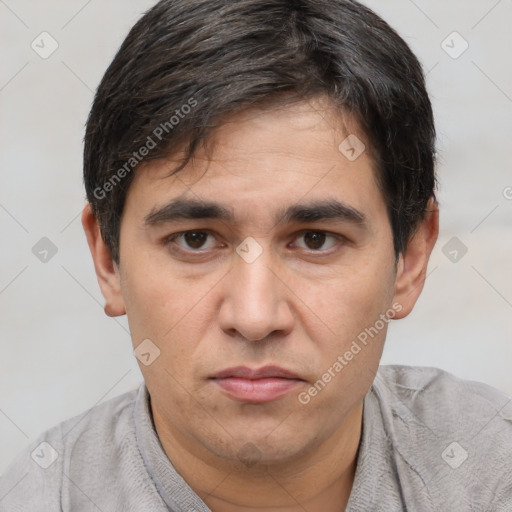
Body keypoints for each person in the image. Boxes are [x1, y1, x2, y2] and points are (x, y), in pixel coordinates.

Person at [1, 0, 511, 510]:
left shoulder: (488, 472)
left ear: (412, 258)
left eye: (315, 240)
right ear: (108, 260)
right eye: (195, 239)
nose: (254, 317)